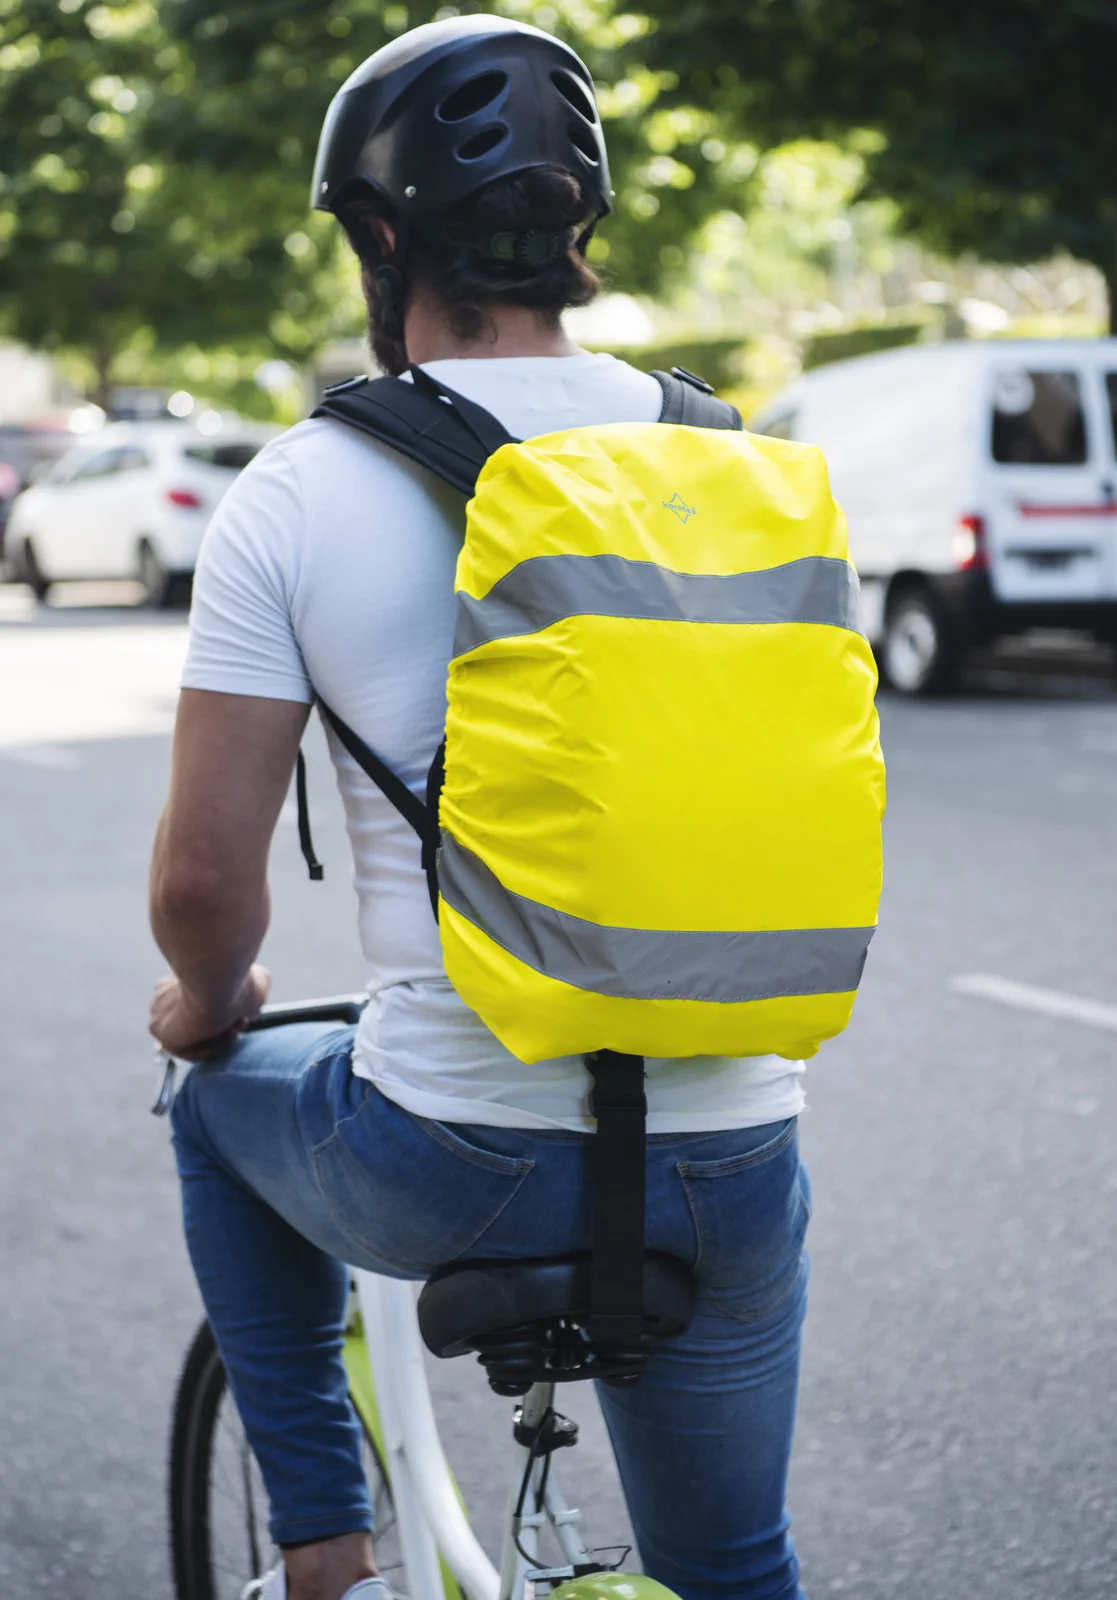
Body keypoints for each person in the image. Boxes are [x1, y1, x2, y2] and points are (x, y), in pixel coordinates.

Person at [151, 17, 812, 1600]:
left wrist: (208, 1003)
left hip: (455, 1147)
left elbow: (203, 889)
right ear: (579, 226)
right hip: (735, 1149)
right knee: (733, 1571)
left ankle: (324, 1544)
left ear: (379, 237)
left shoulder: (303, 488)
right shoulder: (730, 460)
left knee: (213, 1100)